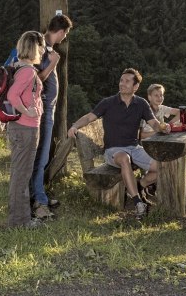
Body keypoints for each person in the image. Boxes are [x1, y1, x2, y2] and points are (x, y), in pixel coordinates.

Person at [67, 68, 171, 221]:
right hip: (113, 151)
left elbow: (154, 124)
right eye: (121, 80)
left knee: (162, 166)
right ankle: (138, 203)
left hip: (134, 148)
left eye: (127, 81)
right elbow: (89, 117)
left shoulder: (141, 103)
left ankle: (139, 186)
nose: (122, 84)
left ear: (135, 87)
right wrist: (75, 125)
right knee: (124, 159)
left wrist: (163, 128)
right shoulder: (108, 103)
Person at [30, 13, 73, 220]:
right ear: (62, 32)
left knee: (42, 155)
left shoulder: (46, 47)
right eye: (65, 34)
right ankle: (38, 199)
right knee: (41, 156)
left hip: (46, 109)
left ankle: (39, 194)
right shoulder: (40, 47)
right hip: (42, 110)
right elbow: (34, 79)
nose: (64, 38)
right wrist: (54, 63)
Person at [6, 31, 45, 228]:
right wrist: (27, 112)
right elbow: (13, 96)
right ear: (33, 48)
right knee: (22, 175)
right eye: (41, 46)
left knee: (19, 174)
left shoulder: (18, 67)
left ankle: (19, 218)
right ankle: (20, 222)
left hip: (19, 128)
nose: (43, 50)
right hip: (25, 128)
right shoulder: (28, 71)